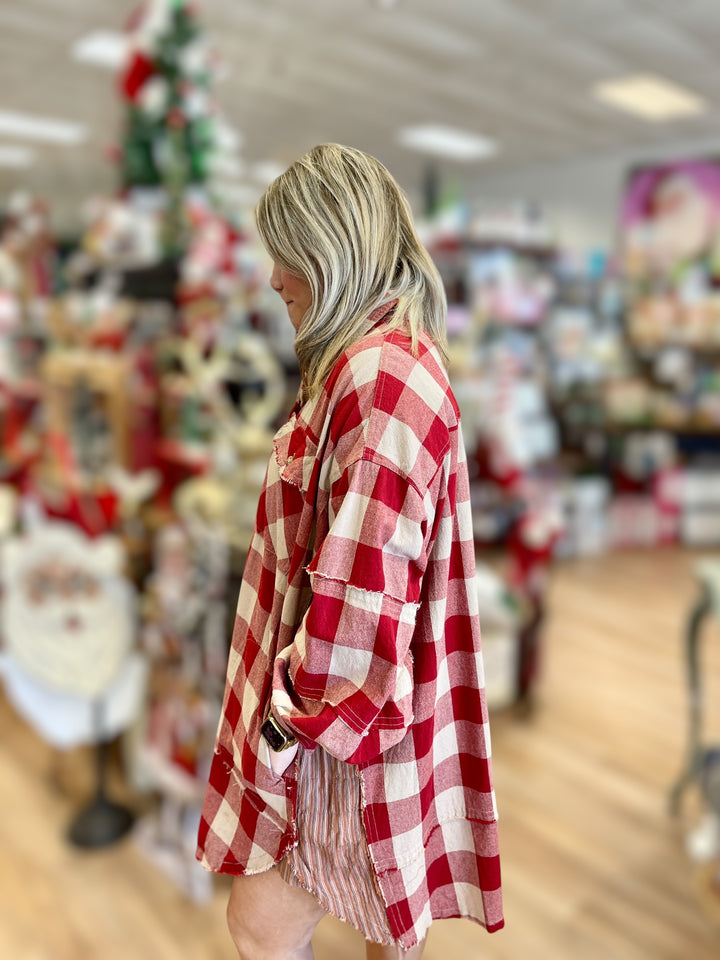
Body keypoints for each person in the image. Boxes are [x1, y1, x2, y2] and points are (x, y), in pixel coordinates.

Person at [196, 143, 503, 959]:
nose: (273, 279)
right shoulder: (378, 365)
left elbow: (363, 595)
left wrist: (287, 724)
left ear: (328, 252)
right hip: (369, 722)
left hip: (342, 732)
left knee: (260, 931)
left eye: (285, 255)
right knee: (388, 932)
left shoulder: (378, 376)